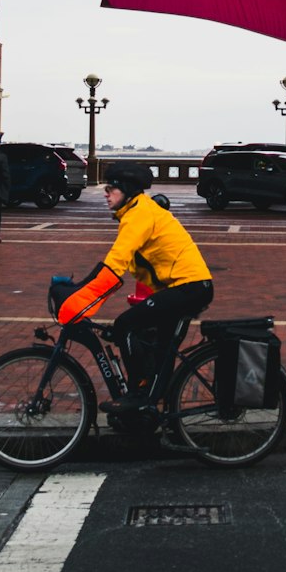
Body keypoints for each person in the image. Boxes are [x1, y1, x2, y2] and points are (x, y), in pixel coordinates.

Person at [95, 161, 213, 413]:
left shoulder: (139, 214)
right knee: (158, 345)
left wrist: (83, 296)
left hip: (189, 288)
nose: (105, 193)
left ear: (126, 190)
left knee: (125, 325)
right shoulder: (137, 211)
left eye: (110, 189)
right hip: (187, 287)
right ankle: (154, 399)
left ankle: (139, 394)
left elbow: (115, 262)